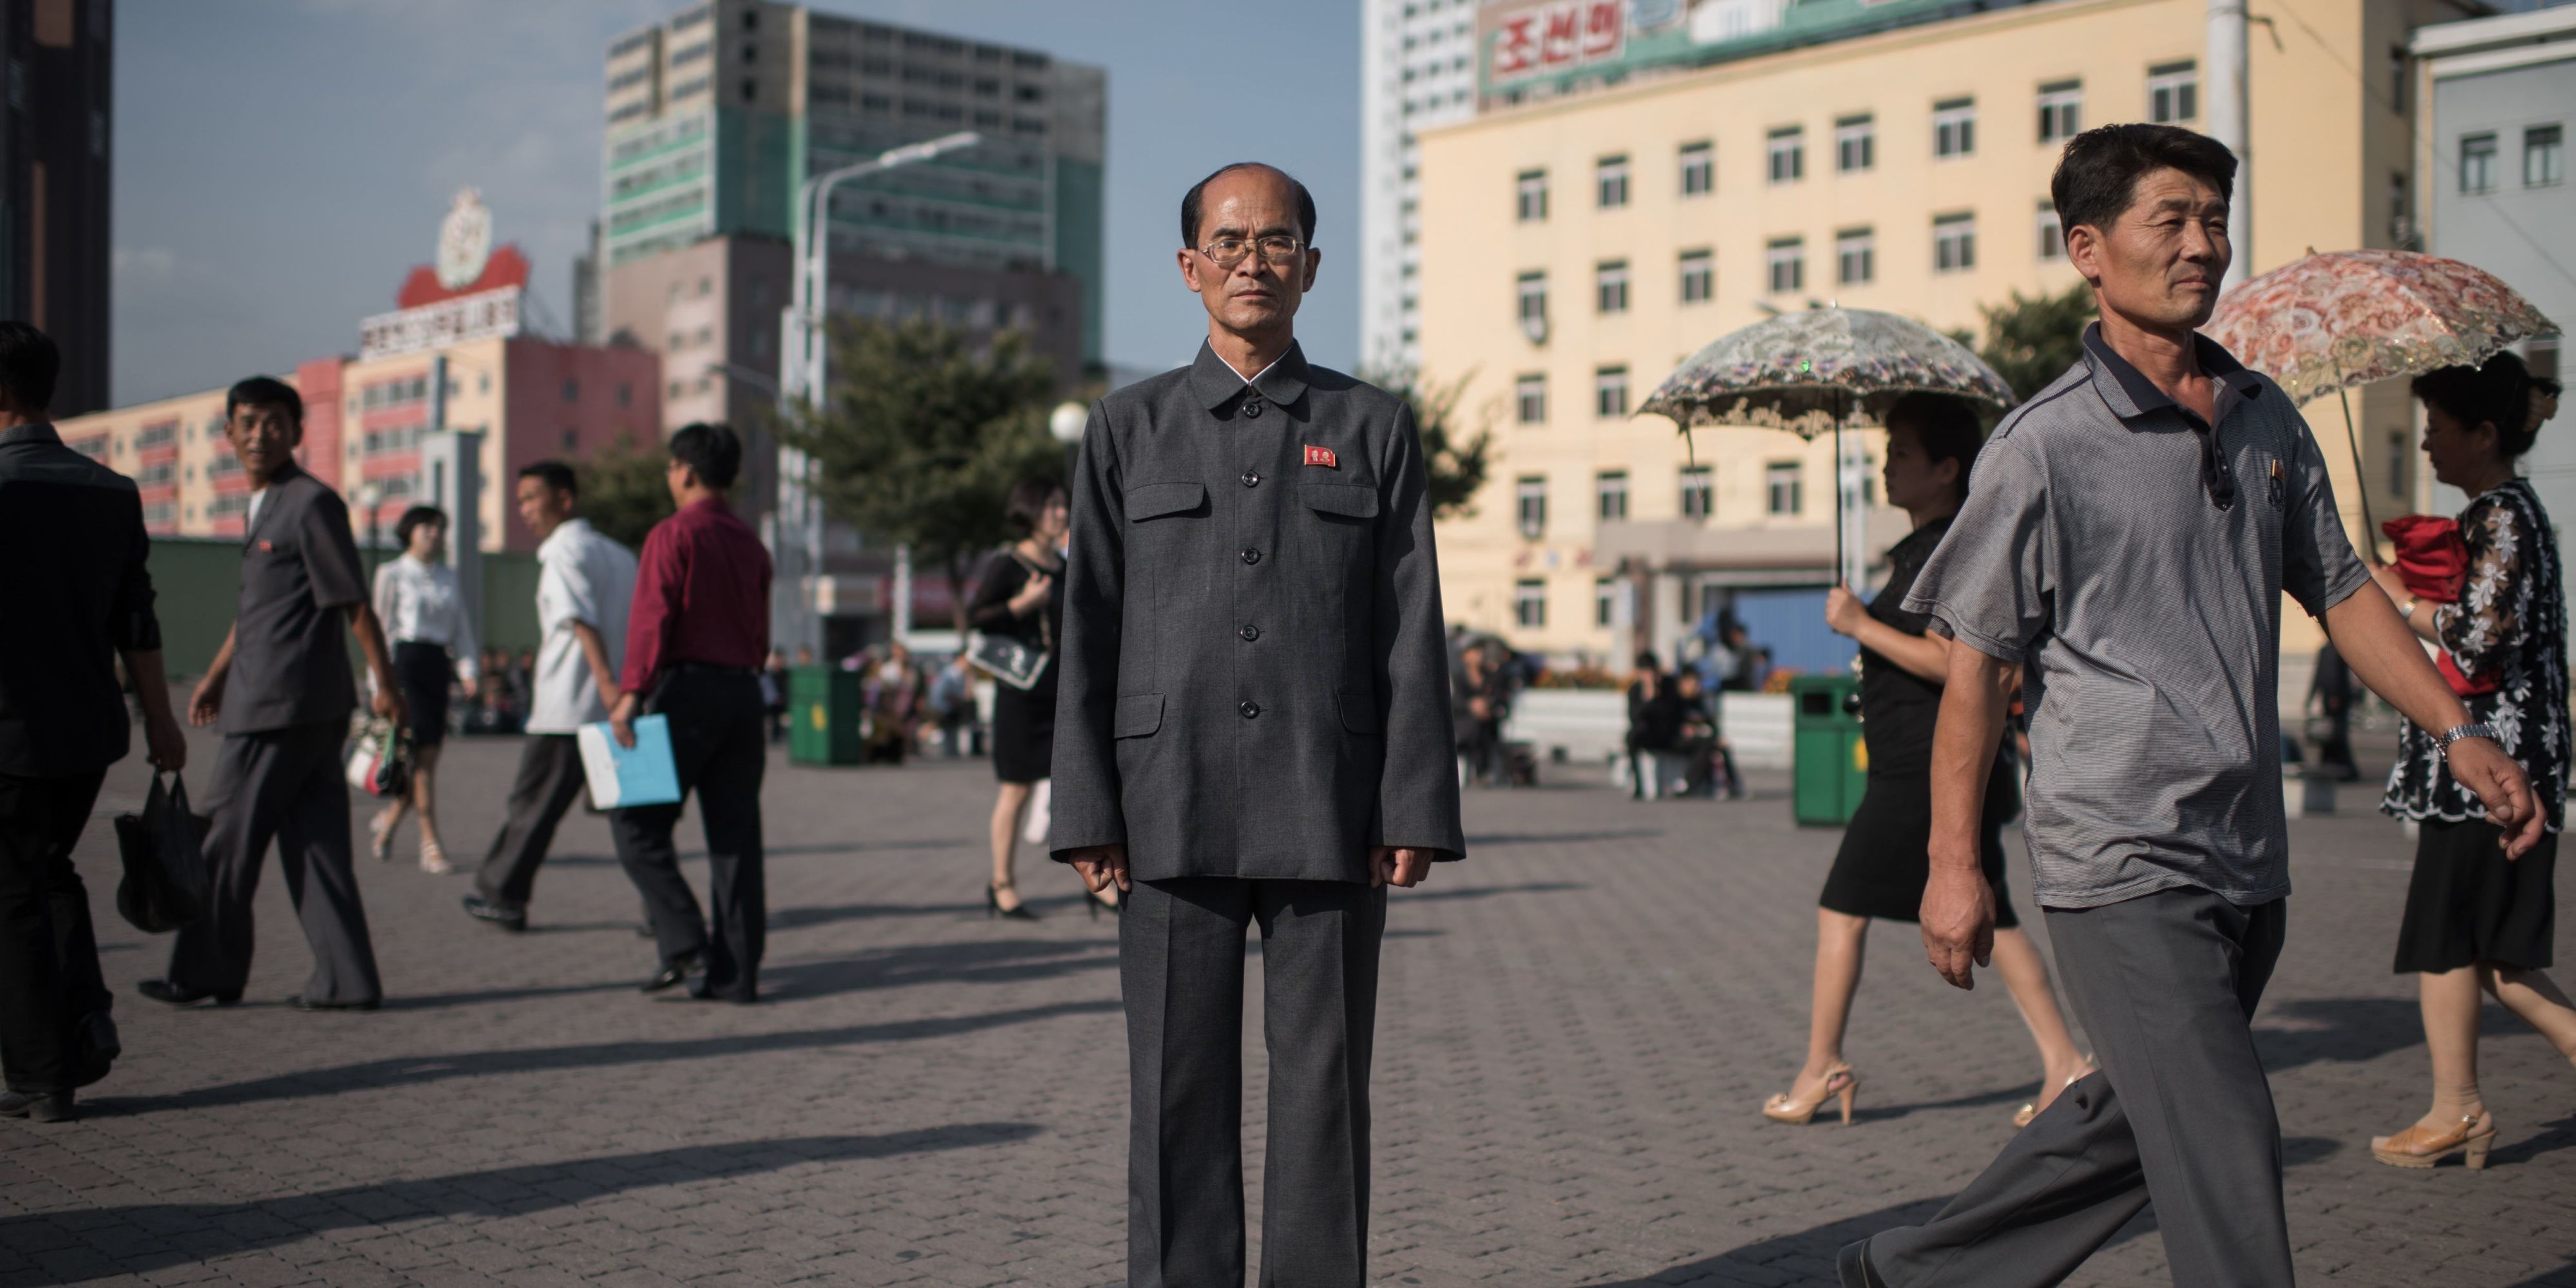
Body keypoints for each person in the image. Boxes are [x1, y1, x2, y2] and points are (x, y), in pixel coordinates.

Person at [1836, 125, 2543, 1288]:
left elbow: (2348, 591)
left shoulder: (2266, 416)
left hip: (2245, 848)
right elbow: (1977, 667)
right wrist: (1953, 864)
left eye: (2214, 218)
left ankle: (1914, 1272)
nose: (2202, 244)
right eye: (2170, 219)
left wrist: (2457, 728)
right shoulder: (2043, 446)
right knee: (2222, 1139)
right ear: (2090, 250)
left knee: (2137, 1121)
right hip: (2120, 857)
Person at [1050, 162, 1464, 1287]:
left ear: (1311, 267)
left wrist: (1413, 804)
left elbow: (1408, 620)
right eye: (1227, 243)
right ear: (1189, 268)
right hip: (1162, 803)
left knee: (1325, 1093)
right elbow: (1083, 626)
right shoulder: (1126, 427)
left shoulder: (1370, 427)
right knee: (1175, 1091)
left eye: (1275, 242)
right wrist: (1088, 807)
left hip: (1327, 803)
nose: (1251, 260)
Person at [1770, 392, 2091, 1132]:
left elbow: (1959, 666)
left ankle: (1823, 1065)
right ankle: (2065, 1059)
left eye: (1902, 454)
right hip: (1923, 761)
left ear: (1948, 468)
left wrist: (1858, 625)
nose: (1887, 466)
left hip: (1924, 765)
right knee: (1993, 915)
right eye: (1886, 453)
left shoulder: (1946, 550)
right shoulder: (1920, 549)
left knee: (1841, 908)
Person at [2367, 351, 2576, 1169]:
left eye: (2438, 433)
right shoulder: (2505, 513)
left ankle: (2456, 1107)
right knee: (2490, 944)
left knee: (2452, 936)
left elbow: (2479, 636)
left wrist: (2396, 598)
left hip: (2487, 763)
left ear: (2485, 435)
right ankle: (2457, 1106)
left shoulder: (2501, 516)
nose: (2426, 449)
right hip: (2497, 757)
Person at [143, 375, 406, 1014]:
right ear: (229, 432)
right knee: (318, 847)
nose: (260, 433)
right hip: (289, 703)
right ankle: (347, 981)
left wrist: (386, 684)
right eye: (248, 421)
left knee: (222, 841)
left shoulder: (310, 503)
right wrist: (215, 673)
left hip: (280, 706)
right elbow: (263, 608)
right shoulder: (262, 505)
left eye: (274, 422)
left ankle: (207, 970)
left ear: (297, 431)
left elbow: (353, 602)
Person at [0, 322, 188, 1122]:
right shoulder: (113, 491)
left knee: (10, 893)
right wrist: (162, 721)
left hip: (6, 732)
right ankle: (84, 1024)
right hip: (86, 733)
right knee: (49, 869)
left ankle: (45, 1073)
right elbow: (136, 621)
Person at [607, 422, 772, 1003]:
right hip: (745, 696)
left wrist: (631, 693)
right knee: (735, 841)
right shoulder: (752, 544)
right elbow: (759, 637)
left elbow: (653, 619)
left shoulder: (673, 535)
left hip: (687, 695)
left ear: (686, 471)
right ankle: (737, 975)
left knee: (636, 825)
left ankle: (684, 943)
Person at [463, 460, 638, 933]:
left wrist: (603, 683)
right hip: (617, 710)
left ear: (564, 499)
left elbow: (581, 621)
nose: (524, 510)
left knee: (533, 806)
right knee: (633, 819)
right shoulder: (621, 556)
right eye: (519, 500)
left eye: (531, 498)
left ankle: (504, 895)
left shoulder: (563, 551)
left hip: (569, 708)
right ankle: (667, 912)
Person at [966, 477, 1108, 918]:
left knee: (1083, 786)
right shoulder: (1008, 564)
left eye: (1063, 506)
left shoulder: (1066, 567)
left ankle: (1098, 882)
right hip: (1020, 697)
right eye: (1050, 506)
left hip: (1062, 696)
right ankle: (1001, 883)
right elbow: (975, 618)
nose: (1061, 514)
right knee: (1016, 792)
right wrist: (1021, 605)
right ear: (1028, 511)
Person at [368, 504, 478, 873]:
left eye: (440, 528)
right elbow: (379, 633)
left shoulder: (450, 576)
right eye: (427, 527)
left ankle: (387, 824)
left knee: (424, 762)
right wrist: (378, 683)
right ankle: (430, 844)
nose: (434, 534)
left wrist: (468, 669)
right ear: (409, 532)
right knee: (419, 762)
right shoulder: (392, 573)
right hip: (404, 668)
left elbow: (461, 627)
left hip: (436, 668)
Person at [1625, 651, 1683, 799]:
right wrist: (1648, 698)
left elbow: (1670, 714)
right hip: (1648, 735)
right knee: (1631, 736)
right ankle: (1638, 783)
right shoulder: (1635, 690)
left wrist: (1656, 696)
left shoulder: (1669, 687)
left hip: (1668, 735)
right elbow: (1634, 717)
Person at [2307, 641, 2361, 781]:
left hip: (2335, 698)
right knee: (2333, 734)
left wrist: (2314, 696)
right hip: (2334, 697)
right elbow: (2323, 675)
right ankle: (2335, 767)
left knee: (2335, 734)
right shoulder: (2333, 650)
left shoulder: (2332, 650)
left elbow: (2325, 675)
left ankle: (2338, 768)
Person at [1453, 643, 1503, 787]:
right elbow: (1455, 701)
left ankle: (1481, 771)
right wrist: (1471, 705)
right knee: (1476, 727)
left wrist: (1485, 705)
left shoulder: (1490, 675)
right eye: (1473, 652)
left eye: (1479, 652)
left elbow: (1497, 697)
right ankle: (1481, 771)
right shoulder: (1458, 677)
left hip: (1486, 718)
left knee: (1482, 726)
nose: (1477, 656)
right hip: (1463, 719)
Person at [928, 653, 976, 759]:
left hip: (952, 710)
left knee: (952, 736)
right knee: (947, 736)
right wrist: (944, 709)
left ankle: (951, 754)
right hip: (945, 710)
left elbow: (967, 695)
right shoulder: (949, 674)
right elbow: (939, 695)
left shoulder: (961, 675)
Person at [761, 649, 790, 744]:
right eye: (776, 658)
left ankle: (776, 736)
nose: (778, 661)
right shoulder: (769, 673)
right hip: (771, 702)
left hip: (781, 702)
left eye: (779, 658)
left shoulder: (785, 673)